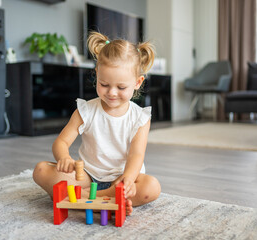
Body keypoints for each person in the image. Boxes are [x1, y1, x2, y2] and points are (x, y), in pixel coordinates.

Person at [33, 31, 161, 215]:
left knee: (151, 187)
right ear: (97, 74)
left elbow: (136, 154)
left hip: (121, 179)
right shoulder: (86, 110)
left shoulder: (140, 117)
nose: (112, 92)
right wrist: (64, 158)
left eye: (121, 87)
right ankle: (102, 199)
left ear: (137, 82)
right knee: (41, 170)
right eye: (104, 84)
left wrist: (129, 179)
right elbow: (61, 142)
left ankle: (85, 197)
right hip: (87, 176)